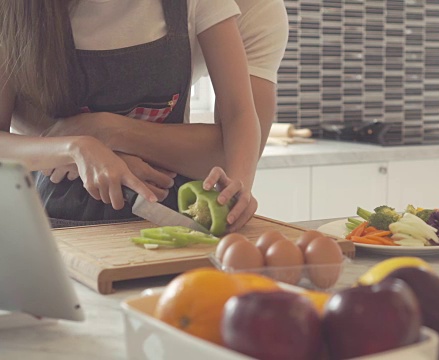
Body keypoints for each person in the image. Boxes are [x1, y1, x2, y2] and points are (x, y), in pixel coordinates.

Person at [0, 0, 287, 232]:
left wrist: (238, 187)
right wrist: (77, 148)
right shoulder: (13, 10)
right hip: (56, 220)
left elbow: (238, 113)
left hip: (171, 214)